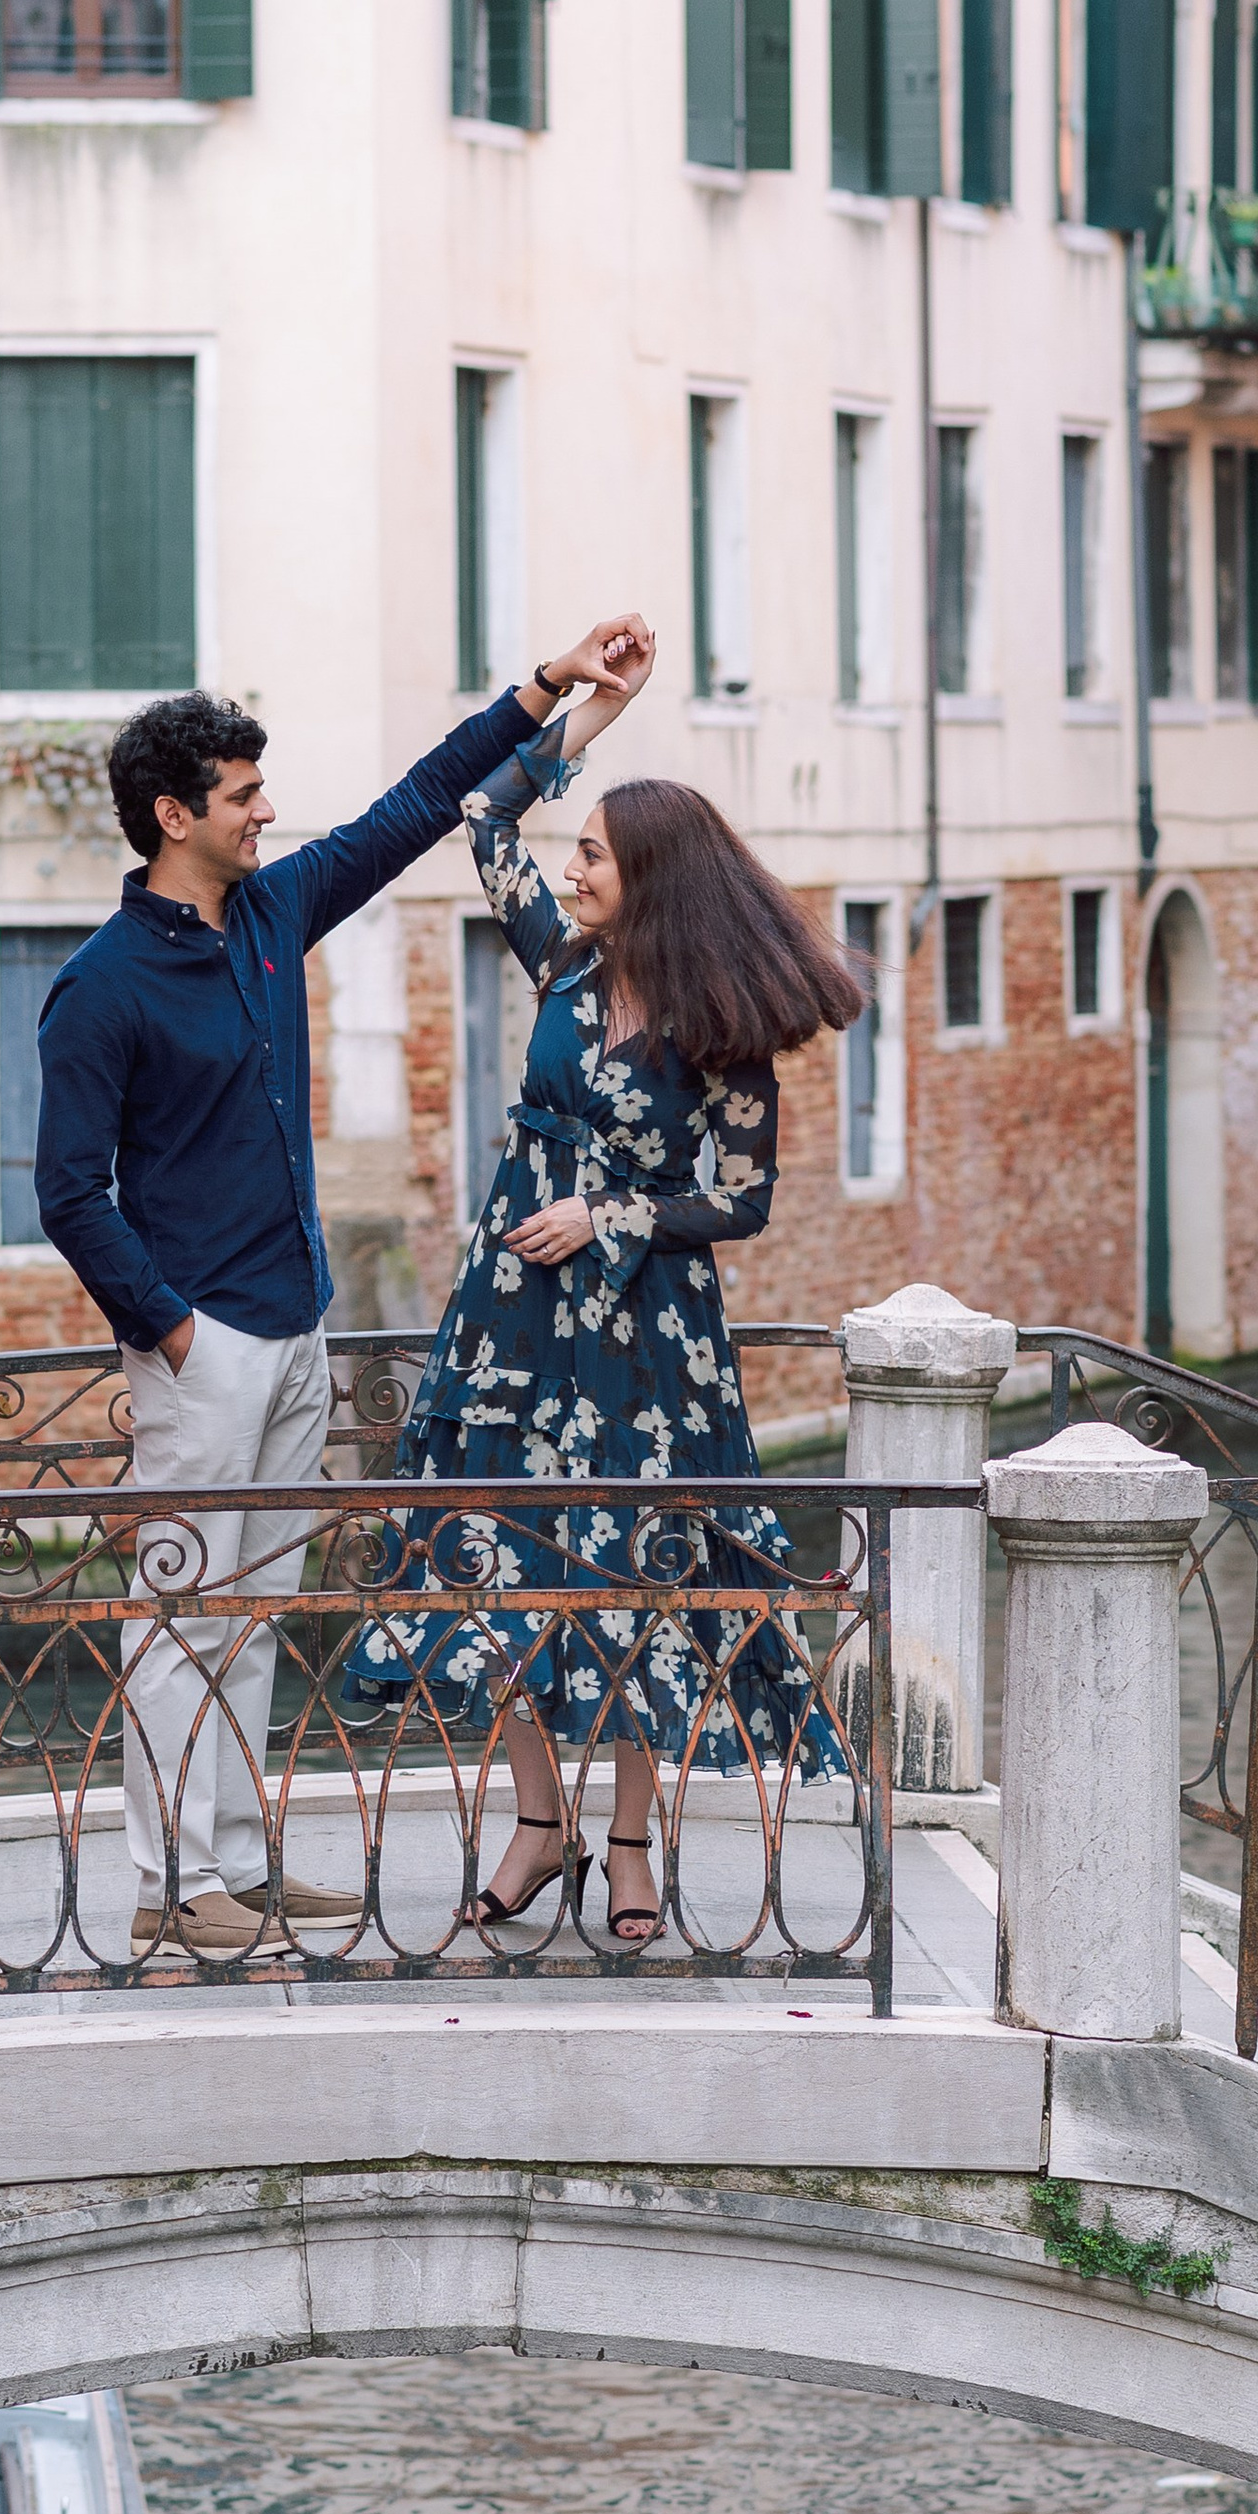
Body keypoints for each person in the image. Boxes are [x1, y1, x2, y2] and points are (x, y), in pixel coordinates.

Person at [34, 622, 657, 1961]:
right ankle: (167, 1884)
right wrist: (170, 1327)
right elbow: (70, 1195)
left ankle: (240, 1870)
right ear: (172, 814)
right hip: (198, 1346)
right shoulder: (98, 990)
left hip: (295, 1317)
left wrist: (549, 689)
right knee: (175, 1623)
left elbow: (420, 803)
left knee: (252, 1619)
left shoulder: (272, 911)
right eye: (245, 795)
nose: (269, 810)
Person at [346, 649, 865, 1947]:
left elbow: (737, 1199)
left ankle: (630, 1842)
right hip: (513, 1321)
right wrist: (593, 716)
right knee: (499, 1557)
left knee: (637, 1575)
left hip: (648, 1342)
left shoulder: (722, 1026)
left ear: (656, 882)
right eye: (572, 851)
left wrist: (609, 1214)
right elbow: (482, 819)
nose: (571, 873)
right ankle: (540, 1824)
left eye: (596, 857)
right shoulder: (560, 968)